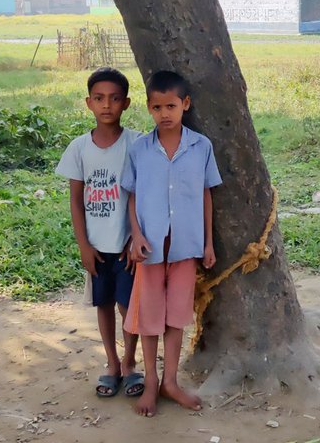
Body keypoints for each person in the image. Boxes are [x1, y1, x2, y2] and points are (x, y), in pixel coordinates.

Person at [121, 70, 222, 417]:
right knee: (149, 320)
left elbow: (206, 194)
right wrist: (135, 234)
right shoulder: (139, 149)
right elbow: (131, 196)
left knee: (175, 319)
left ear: (185, 105)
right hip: (149, 251)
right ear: (148, 108)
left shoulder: (200, 147)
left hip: (185, 248)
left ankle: (170, 382)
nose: (164, 113)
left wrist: (208, 243)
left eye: (171, 106)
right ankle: (150, 382)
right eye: (156, 107)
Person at [56, 67, 145, 398]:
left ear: (126, 103)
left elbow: (142, 195)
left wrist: (136, 237)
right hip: (96, 247)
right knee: (103, 304)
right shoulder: (79, 149)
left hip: (127, 246)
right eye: (99, 98)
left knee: (129, 307)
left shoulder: (137, 144)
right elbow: (76, 203)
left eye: (114, 98)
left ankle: (130, 363)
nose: (106, 105)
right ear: (88, 103)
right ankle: (111, 364)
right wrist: (83, 245)